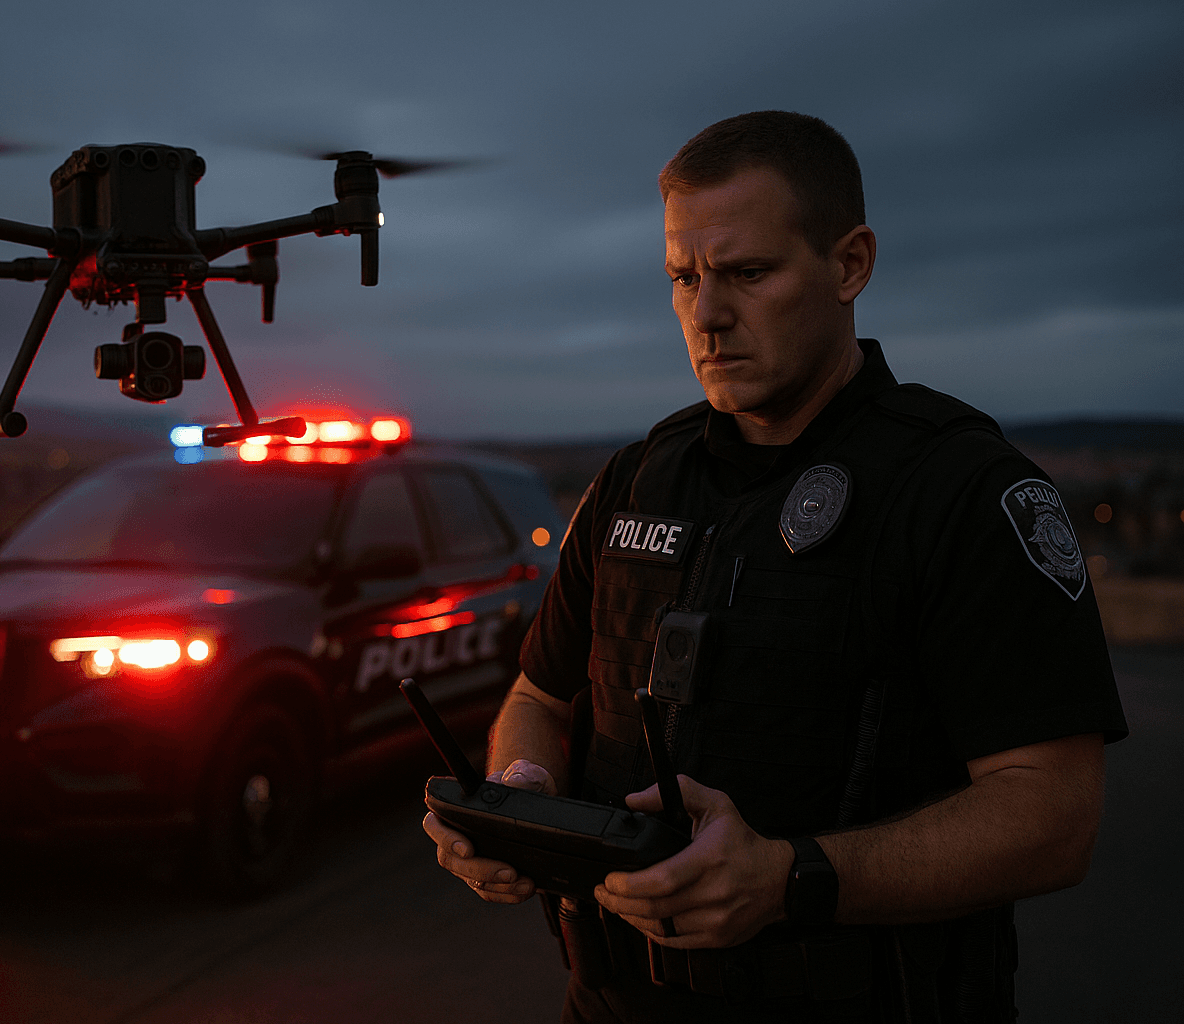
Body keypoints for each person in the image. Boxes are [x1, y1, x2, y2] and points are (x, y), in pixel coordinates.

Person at [423, 110, 1127, 1022]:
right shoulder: (638, 479)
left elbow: (1054, 816)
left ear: (849, 265)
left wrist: (790, 878)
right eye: (684, 278)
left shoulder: (961, 491)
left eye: (748, 273)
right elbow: (539, 699)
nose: (707, 315)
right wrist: (520, 802)